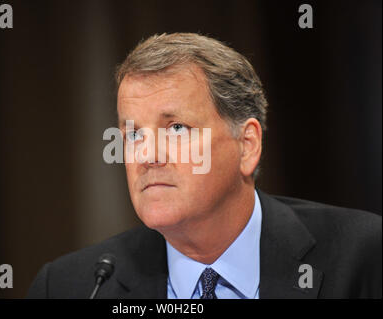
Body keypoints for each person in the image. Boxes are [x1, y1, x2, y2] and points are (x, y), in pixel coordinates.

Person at [27, 33, 381, 299]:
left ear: (247, 145)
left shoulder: (361, 257)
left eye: (176, 128)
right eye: (132, 134)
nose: (147, 156)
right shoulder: (69, 287)